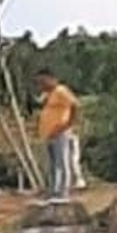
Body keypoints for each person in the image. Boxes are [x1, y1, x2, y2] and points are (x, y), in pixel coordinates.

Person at [35, 69, 80, 202]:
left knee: (62, 162)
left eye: (43, 81)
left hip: (60, 132)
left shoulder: (61, 91)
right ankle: (53, 190)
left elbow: (75, 105)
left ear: (51, 79)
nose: (41, 85)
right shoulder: (49, 94)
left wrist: (67, 125)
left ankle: (63, 191)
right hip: (49, 134)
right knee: (52, 165)